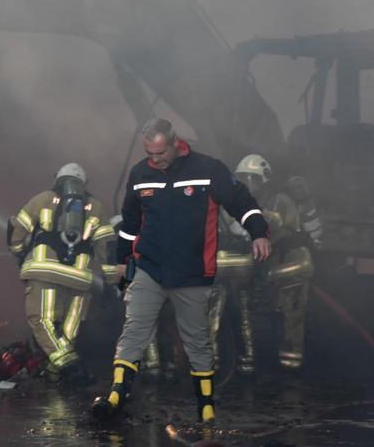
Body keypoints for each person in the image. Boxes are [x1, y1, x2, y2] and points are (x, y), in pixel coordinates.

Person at [91, 119, 271, 423]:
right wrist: (123, 260)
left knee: (197, 340)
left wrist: (258, 232)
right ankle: (116, 396)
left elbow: (240, 201)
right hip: (149, 268)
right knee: (133, 331)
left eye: (160, 153)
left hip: (192, 273)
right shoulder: (140, 173)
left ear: (176, 144)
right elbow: (130, 224)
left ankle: (206, 408)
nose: (155, 159)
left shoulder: (208, 169)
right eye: (149, 152)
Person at [7, 163, 116, 382]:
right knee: (69, 328)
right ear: (85, 183)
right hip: (79, 278)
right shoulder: (96, 206)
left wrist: (19, 253)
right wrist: (110, 281)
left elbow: (16, 230)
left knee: (43, 320)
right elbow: (108, 247)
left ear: (57, 178)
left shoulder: (42, 199)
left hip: (44, 271)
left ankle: (70, 365)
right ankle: (55, 372)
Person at [227, 154, 316, 371]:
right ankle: (256, 360)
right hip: (274, 264)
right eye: (243, 178)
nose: (248, 184)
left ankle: (291, 366)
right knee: (252, 305)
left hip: (293, 265)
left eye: (253, 179)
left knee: (290, 312)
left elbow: (271, 230)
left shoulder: (280, 201)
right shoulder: (248, 201)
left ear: (264, 180)